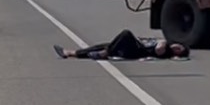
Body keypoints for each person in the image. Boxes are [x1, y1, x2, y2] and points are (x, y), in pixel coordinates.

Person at [54, 30, 188, 60]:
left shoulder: (165, 51)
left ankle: (106, 53)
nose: (176, 46)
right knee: (105, 45)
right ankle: (71, 53)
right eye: (178, 45)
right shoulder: (167, 47)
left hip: (137, 52)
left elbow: (158, 49)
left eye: (179, 49)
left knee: (126, 34)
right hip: (137, 47)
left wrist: (163, 41)